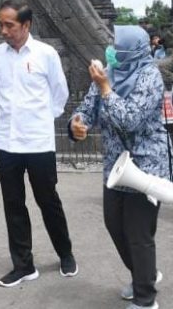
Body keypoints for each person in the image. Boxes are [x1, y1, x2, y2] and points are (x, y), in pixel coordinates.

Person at [69, 25, 168, 309]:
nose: (112, 50)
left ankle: (146, 299)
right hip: (115, 168)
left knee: (138, 235)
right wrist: (77, 124)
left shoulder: (150, 77)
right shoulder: (107, 74)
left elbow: (130, 119)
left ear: (134, 50)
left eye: (117, 45)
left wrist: (105, 88)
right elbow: (87, 109)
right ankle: (145, 274)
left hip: (146, 167)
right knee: (114, 225)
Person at [0, 0, 78, 288]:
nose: (3, 30)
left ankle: (65, 253)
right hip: (6, 141)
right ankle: (24, 265)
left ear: (26, 25)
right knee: (13, 205)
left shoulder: (46, 54)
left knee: (47, 201)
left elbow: (59, 94)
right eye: (0, 24)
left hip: (38, 143)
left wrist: (40, 120)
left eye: (9, 25)